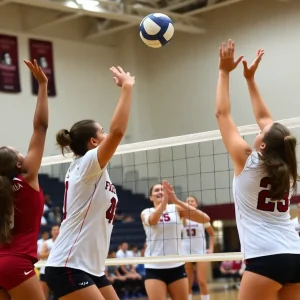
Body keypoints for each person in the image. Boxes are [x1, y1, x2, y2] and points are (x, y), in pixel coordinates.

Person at [215, 39, 300, 300]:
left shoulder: (247, 160)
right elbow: (267, 122)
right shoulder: (286, 166)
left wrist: (223, 72)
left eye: (259, 131)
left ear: (262, 144)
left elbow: (222, 114)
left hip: (265, 259)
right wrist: (250, 80)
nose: (258, 126)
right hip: (295, 256)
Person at [45, 66, 135, 300]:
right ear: (94, 142)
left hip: (91, 268)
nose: (107, 135)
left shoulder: (92, 169)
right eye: (101, 132)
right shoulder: (87, 164)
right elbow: (117, 132)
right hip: (69, 264)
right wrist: (127, 87)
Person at [0, 59, 49, 300]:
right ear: (19, 164)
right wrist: (42, 84)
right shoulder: (27, 177)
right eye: (19, 151)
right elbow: (40, 127)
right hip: (18, 263)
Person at [141, 181, 210, 300]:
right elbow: (153, 220)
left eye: (163, 190)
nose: (160, 192)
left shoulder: (175, 209)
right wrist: (165, 202)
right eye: (156, 190)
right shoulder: (146, 212)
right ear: (150, 197)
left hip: (176, 265)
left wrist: (176, 200)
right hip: (154, 266)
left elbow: (205, 218)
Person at [181, 196, 214, 300]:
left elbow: (212, 234)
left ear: (196, 204)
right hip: (186, 251)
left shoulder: (201, 217)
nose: (190, 202)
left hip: (200, 251)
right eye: (188, 201)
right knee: (188, 282)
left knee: (202, 281)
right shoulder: (182, 217)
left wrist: (211, 248)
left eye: (192, 201)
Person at [39, 225, 60, 299]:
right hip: (45, 271)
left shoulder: (62, 243)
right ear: (51, 232)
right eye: (54, 230)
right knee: (44, 295)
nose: (56, 231)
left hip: (59, 271)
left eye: (57, 230)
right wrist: (52, 252)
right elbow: (41, 255)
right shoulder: (47, 243)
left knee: (59, 294)